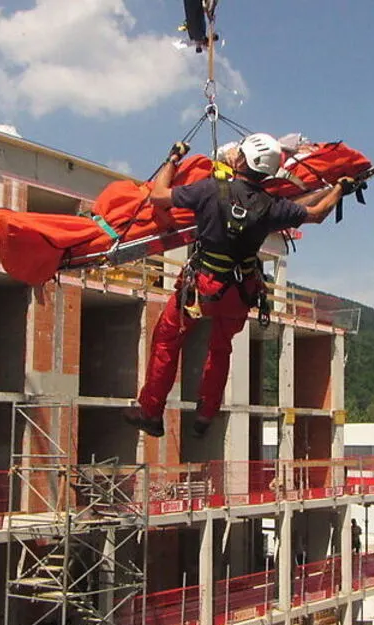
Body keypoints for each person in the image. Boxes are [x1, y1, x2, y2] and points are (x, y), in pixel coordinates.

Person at [123, 133, 354, 438]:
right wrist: (339, 188)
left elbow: (159, 196)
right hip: (240, 290)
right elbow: (315, 213)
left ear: (243, 160)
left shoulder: (209, 189)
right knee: (221, 348)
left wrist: (173, 159)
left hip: (202, 286)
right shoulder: (272, 206)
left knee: (168, 340)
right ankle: (206, 414)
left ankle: (151, 413)